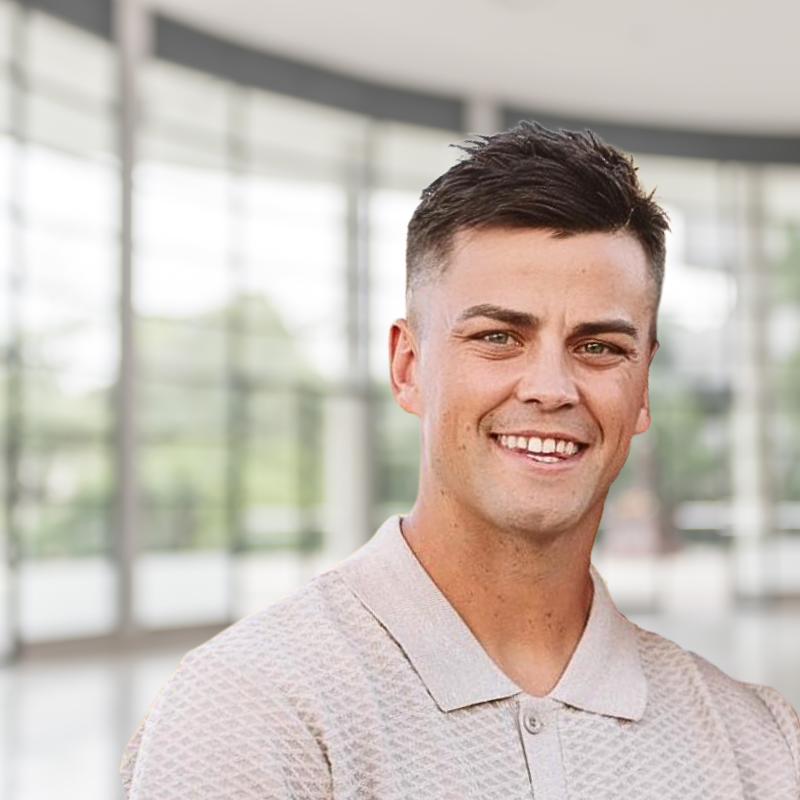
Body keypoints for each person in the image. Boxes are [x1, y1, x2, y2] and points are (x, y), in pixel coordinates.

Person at [121, 123, 800, 799]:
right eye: (499, 336)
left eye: (598, 347)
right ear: (409, 366)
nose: (551, 388)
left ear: (642, 388)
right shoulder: (250, 714)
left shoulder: (759, 745)